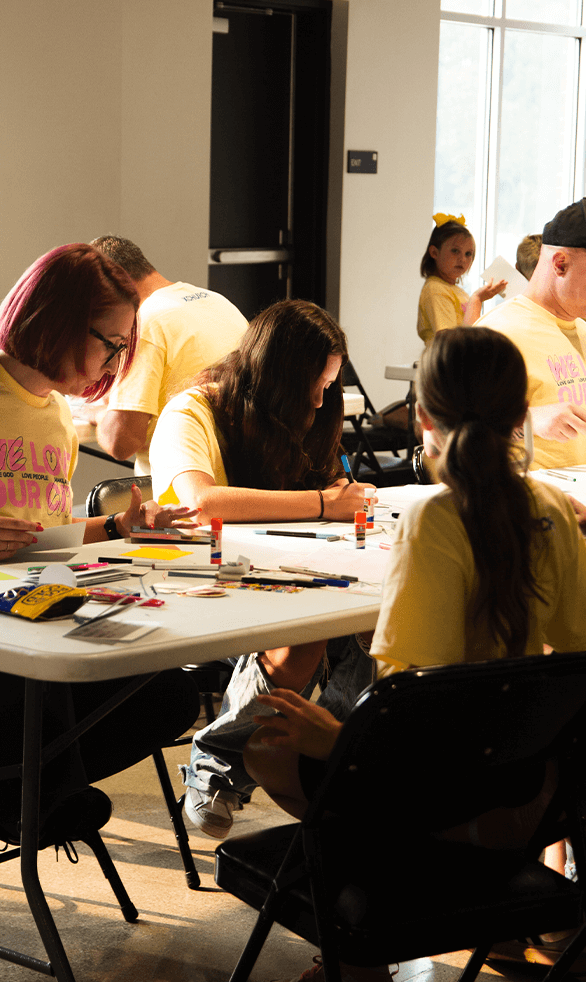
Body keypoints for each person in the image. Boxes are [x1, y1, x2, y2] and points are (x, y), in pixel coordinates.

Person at [245, 326, 586, 982]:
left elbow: (411, 720)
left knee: (268, 738)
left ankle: (360, 955)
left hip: (444, 800)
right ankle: (419, 933)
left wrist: (336, 737)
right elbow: (571, 658)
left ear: (423, 417)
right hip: (531, 794)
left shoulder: (433, 523)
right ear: (521, 416)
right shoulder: (552, 510)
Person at [149, 299, 376, 839]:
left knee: (376, 619)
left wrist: (341, 499)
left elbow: (321, 499)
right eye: (313, 386)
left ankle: (336, 755)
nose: (321, 400)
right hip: (191, 585)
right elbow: (202, 503)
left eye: (330, 386)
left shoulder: (304, 416)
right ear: (277, 378)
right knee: (308, 636)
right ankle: (219, 761)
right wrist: (325, 504)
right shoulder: (192, 411)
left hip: (278, 576)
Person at [0, 242, 200, 844]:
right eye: (109, 341)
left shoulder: (56, 413)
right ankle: (28, 791)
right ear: (55, 318)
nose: (116, 362)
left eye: (123, 346)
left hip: (35, 608)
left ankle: (26, 791)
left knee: (168, 693)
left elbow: (42, 539)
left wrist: (119, 529)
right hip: (10, 641)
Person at [90, 235, 248, 475]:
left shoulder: (145, 322)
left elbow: (120, 443)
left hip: (177, 492)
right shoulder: (219, 301)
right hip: (237, 478)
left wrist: (101, 413)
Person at [479, 197, 586, 470]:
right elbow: (449, 434)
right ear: (560, 264)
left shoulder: (582, 328)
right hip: (529, 503)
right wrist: (529, 420)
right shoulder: (498, 334)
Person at [417, 213, 506, 347]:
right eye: (455, 251)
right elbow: (449, 341)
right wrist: (477, 298)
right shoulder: (435, 289)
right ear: (434, 253)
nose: (463, 259)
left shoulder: (457, 291)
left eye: (468, 254)